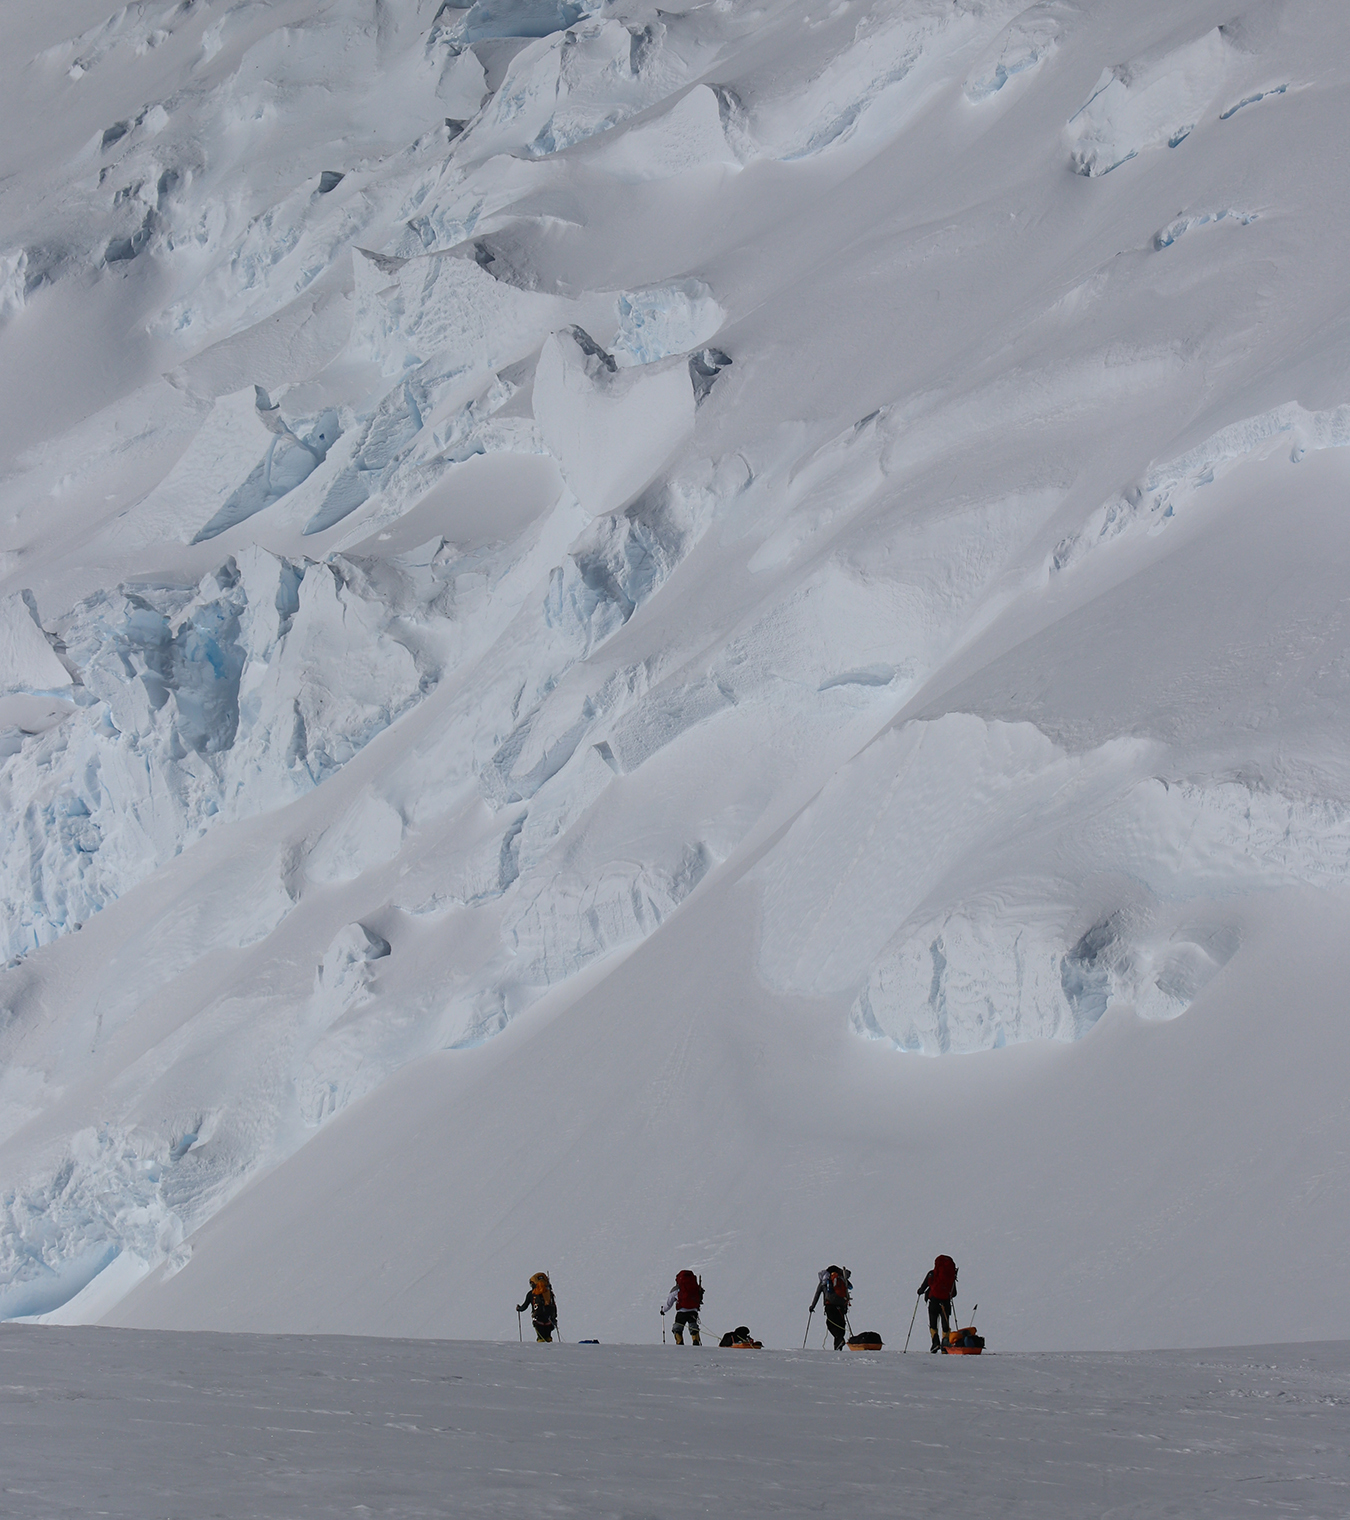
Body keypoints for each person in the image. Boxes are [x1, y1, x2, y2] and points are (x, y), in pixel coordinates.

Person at [917, 1254, 957, 1353]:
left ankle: (935, 1342)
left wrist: (920, 1291)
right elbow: (954, 1293)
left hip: (934, 1301)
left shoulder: (932, 1274)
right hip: (946, 1302)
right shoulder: (950, 1276)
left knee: (933, 1322)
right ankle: (945, 1346)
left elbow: (922, 1289)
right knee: (945, 1323)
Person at [809, 1264, 852, 1349]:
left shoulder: (825, 1281)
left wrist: (812, 1306)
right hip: (841, 1306)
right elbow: (846, 1293)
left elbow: (817, 1294)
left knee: (831, 1324)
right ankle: (838, 1345)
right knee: (841, 1324)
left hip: (830, 1305)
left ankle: (839, 1341)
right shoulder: (842, 1279)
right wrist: (845, 1307)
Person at [661, 1269, 704, 1345]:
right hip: (693, 1311)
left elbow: (669, 1303)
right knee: (693, 1326)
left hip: (682, 1311)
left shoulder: (677, 1289)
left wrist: (663, 1310)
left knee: (678, 1328)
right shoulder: (695, 1287)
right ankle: (695, 1340)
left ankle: (679, 1342)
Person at [517, 1272, 558, 1342]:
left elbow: (524, 1306)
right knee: (548, 1337)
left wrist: (519, 1308)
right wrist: (554, 1318)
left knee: (541, 1338)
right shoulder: (549, 1293)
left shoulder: (531, 1294)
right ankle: (550, 1350)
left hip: (538, 1318)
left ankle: (541, 1350)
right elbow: (553, 1305)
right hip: (549, 1318)